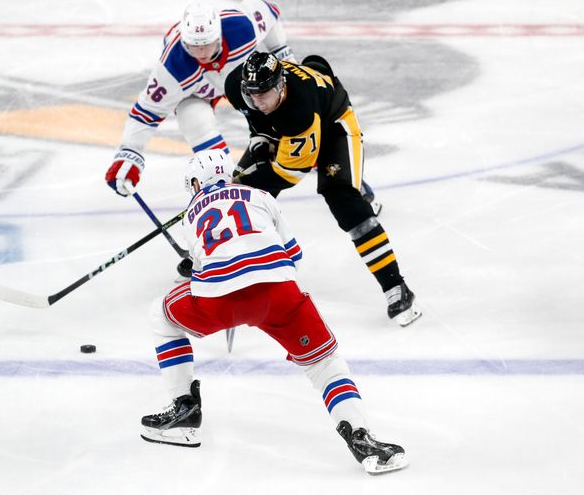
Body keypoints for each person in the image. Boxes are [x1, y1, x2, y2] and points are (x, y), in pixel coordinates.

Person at [140, 149, 408, 476]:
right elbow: (293, 254)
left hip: (218, 300)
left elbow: (199, 267)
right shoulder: (261, 195)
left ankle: (184, 409)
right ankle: (361, 437)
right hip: (279, 294)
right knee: (324, 364)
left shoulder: (190, 215)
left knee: (161, 314)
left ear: (196, 182)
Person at [223, 51, 422, 326]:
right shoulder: (237, 87)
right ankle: (218, 261)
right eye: (252, 95)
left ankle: (396, 287)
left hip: (333, 126)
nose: (258, 101)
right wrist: (261, 138)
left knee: (343, 199)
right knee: (242, 199)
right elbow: (258, 118)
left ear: (281, 85)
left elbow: (290, 172)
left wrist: (243, 184)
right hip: (293, 132)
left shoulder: (298, 108)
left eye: (264, 94)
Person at [105, 0, 295, 198]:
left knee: (276, 94)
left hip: (240, 77)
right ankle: (221, 182)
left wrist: (281, 52)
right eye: (193, 47)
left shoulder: (241, 26)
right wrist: (129, 155)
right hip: (197, 93)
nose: (201, 53)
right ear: (184, 41)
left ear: (219, 36)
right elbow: (147, 111)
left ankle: (303, 142)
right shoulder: (173, 67)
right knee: (194, 119)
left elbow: (270, 11)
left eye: (206, 44)